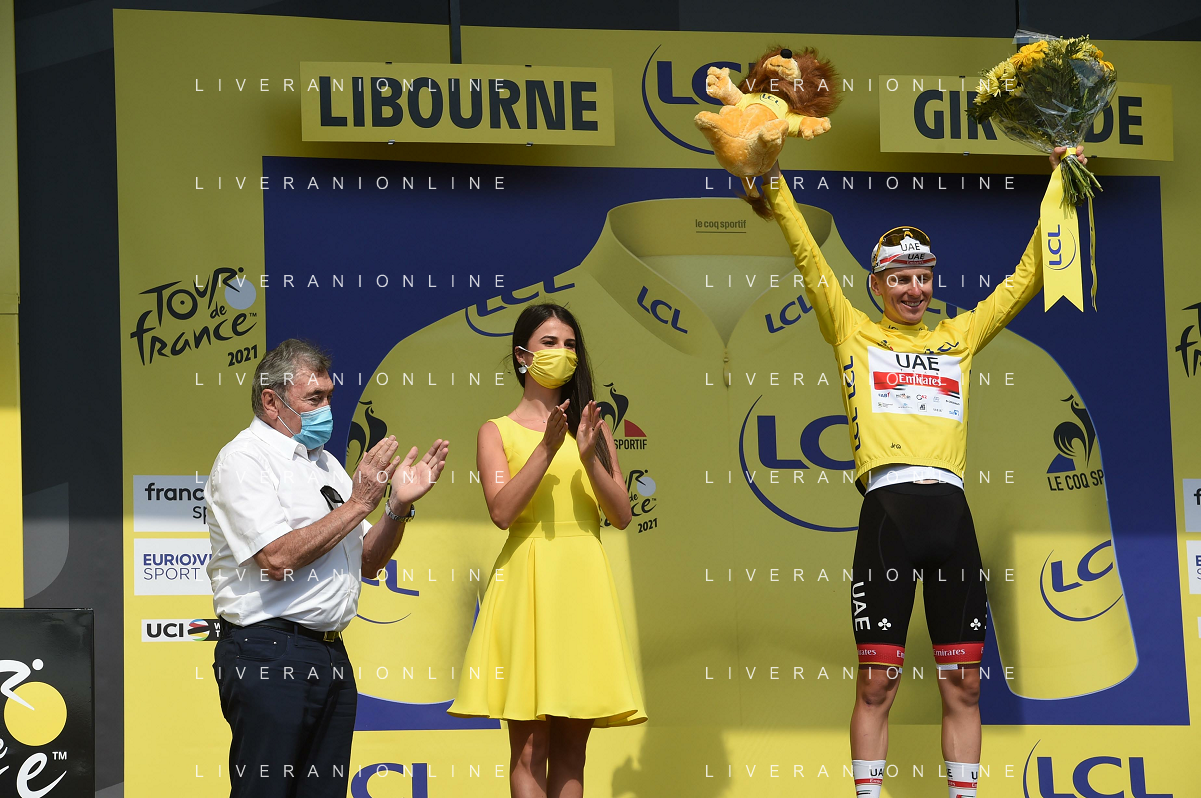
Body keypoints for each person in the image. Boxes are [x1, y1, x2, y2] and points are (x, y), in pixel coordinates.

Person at [762, 145, 1086, 798]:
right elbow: (808, 257)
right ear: (876, 285)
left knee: (963, 684)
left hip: (952, 520)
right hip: (888, 516)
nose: (914, 290)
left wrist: (1064, 186)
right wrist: (772, 183)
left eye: (924, 277)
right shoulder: (851, 332)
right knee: (876, 684)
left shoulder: (957, 338)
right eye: (900, 279)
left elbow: (1028, 278)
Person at [205, 338, 448, 798]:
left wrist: (396, 506)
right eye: (314, 399)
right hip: (268, 650)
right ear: (271, 402)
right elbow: (276, 558)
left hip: (330, 654)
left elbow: (369, 561)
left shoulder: (326, 464)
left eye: (329, 397)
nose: (326, 410)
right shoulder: (244, 459)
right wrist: (358, 504)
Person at [447, 303, 646, 798]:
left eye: (570, 344)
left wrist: (587, 455)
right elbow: (502, 511)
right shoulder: (495, 430)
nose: (563, 353)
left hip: (583, 585)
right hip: (527, 583)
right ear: (522, 356)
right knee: (529, 750)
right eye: (550, 343)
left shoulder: (594, 428)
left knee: (573, 750)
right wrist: (545, 449)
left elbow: (622, 514)